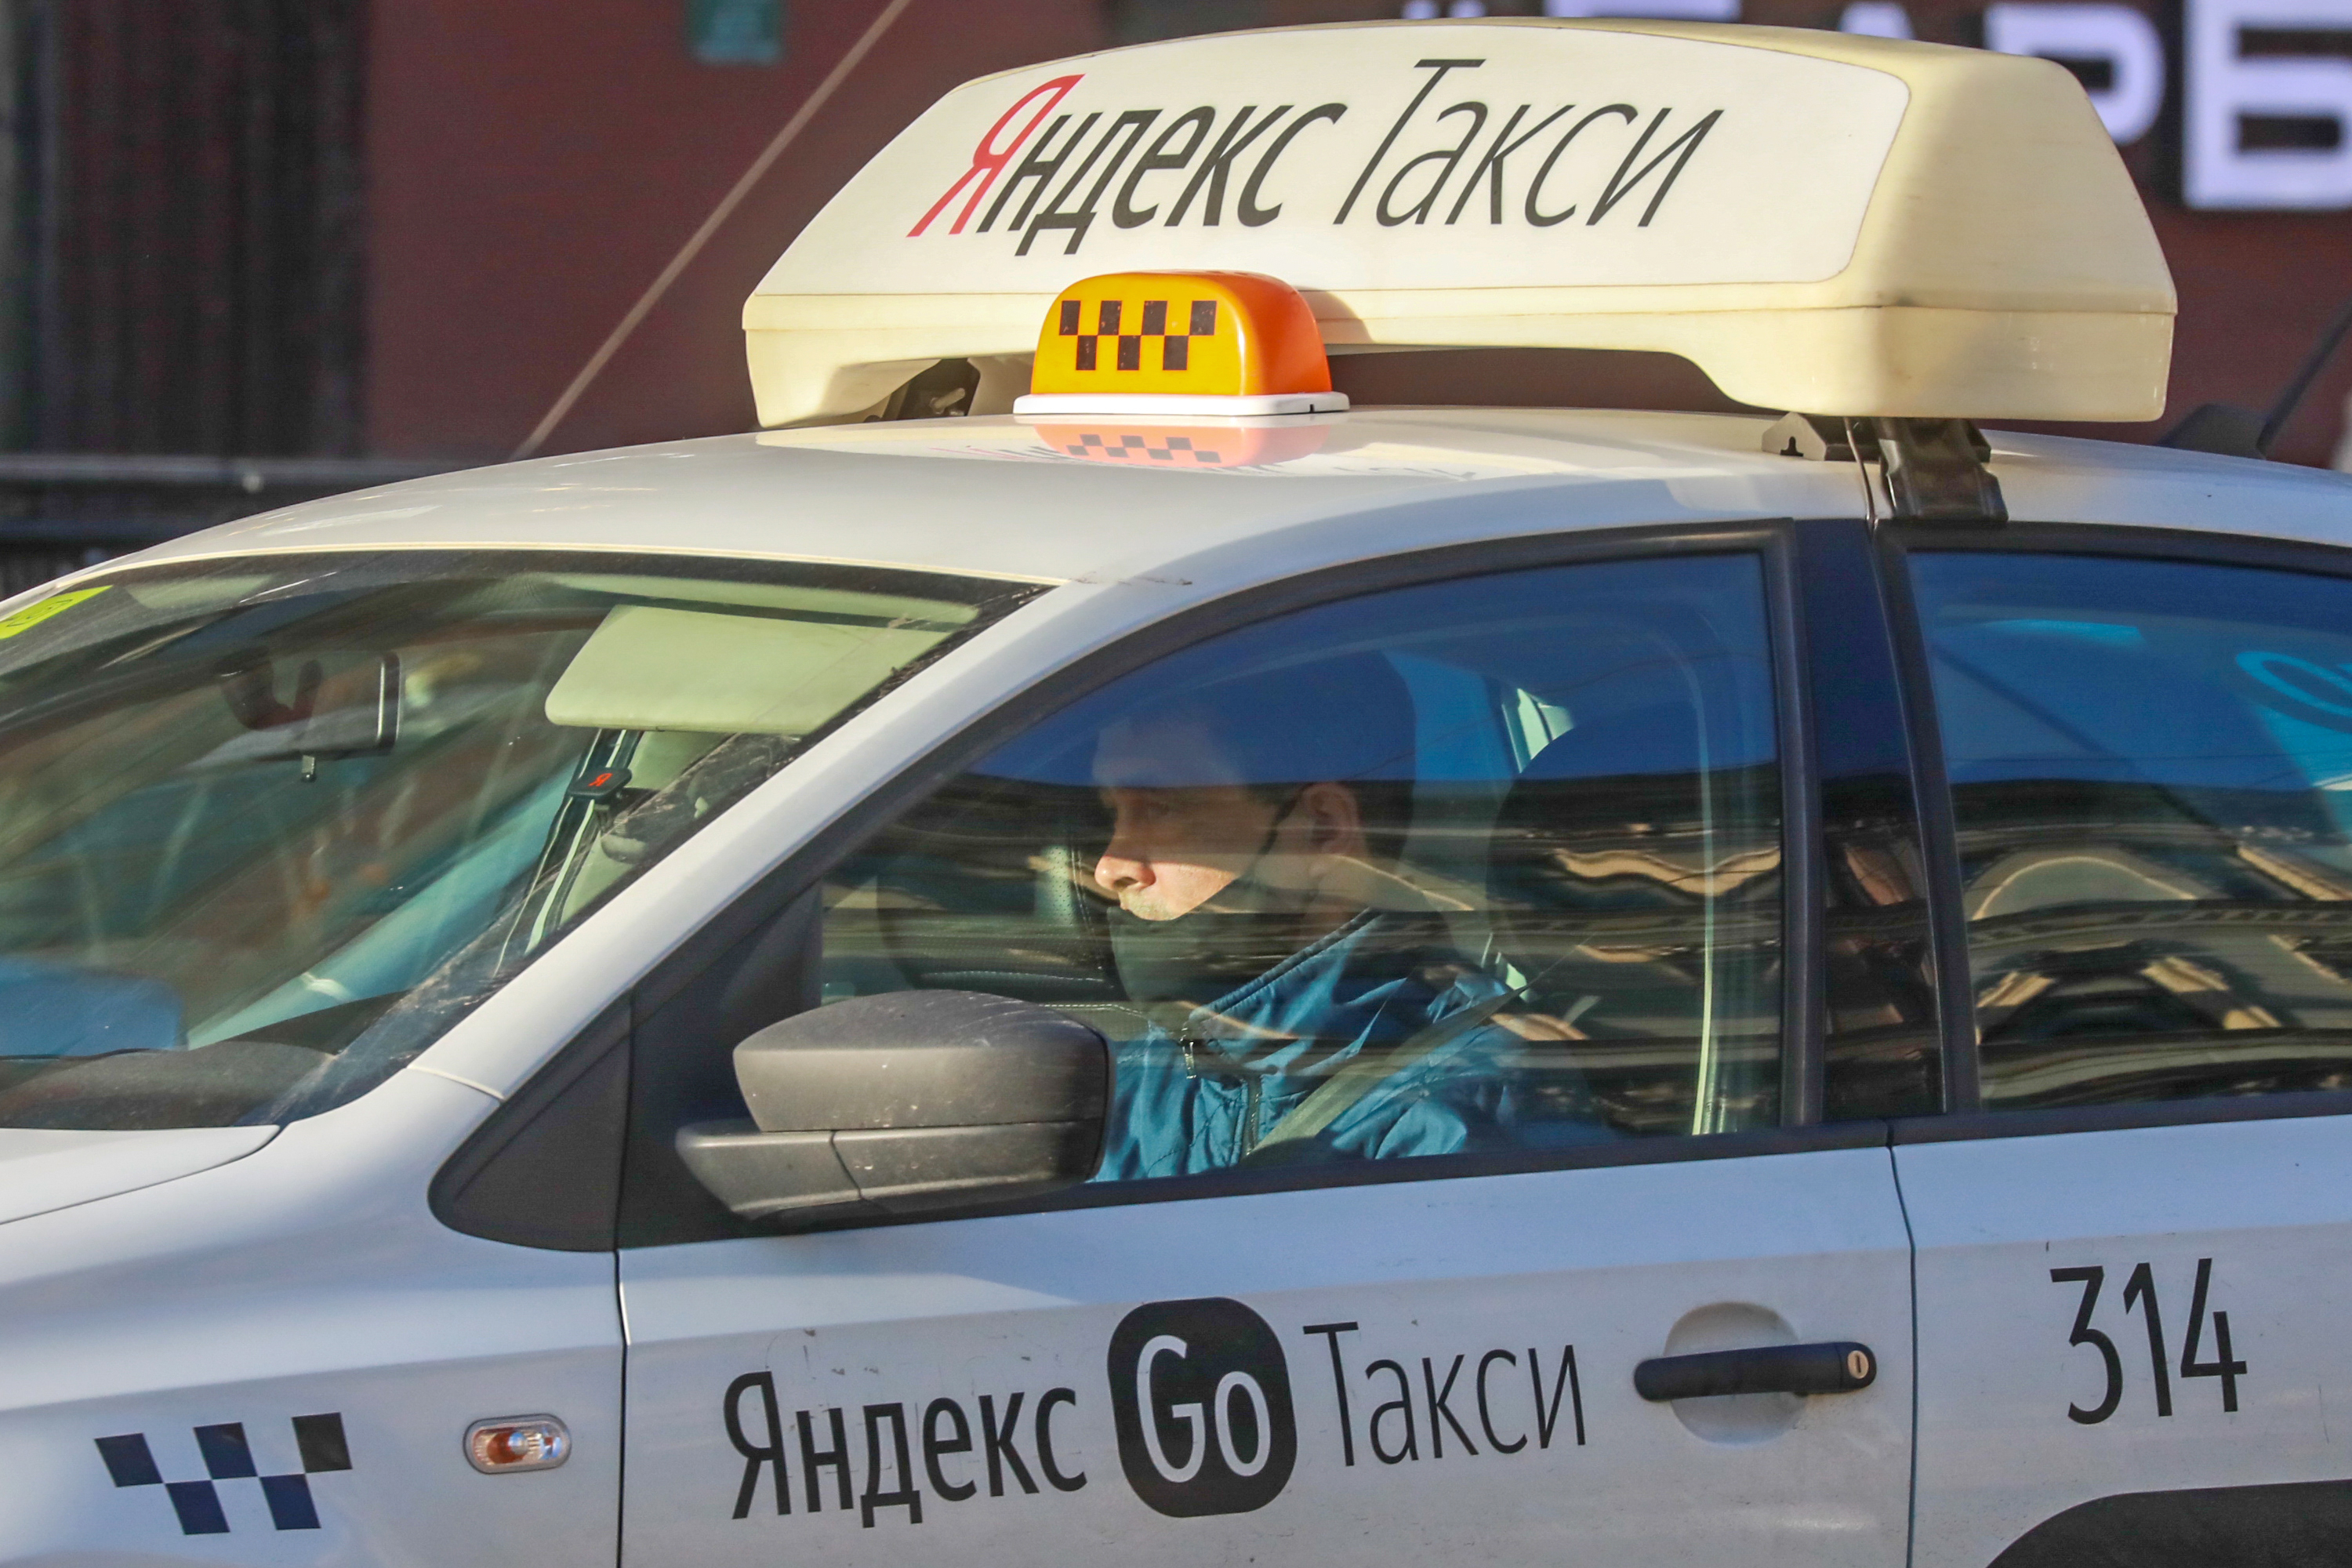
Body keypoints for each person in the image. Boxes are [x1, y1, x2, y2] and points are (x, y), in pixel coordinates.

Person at [1086, 654, 1559, 1179]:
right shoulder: (1145, 1073)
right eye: (1113, 815)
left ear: (1322, 829)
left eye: (1160, 809)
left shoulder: (1460, 1108)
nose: (1110, 867)